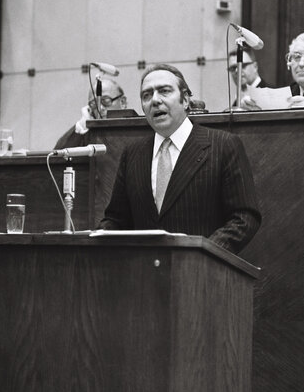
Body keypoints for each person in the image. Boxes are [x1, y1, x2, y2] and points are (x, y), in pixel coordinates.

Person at [99, 64, 261, 254]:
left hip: (202, 274)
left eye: (164, 91)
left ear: (185, 100)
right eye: (147, 95)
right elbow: (117, 219)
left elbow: (244, 218)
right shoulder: (132, 153)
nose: (155, 100)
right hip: (142, 274)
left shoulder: (223, 145)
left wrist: (204, 254)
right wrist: (95, 238)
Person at [53, 76, 127, 149]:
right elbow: (58, 156)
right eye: (94, 103)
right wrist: (81, 126)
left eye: (106, 101)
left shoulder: (135, 131)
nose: (100, 108)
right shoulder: (88, 135)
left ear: (122, 102)